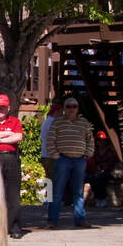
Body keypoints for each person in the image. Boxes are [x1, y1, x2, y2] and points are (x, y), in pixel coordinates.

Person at [46, 96, 94, 228]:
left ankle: (80, 219)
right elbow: (50, 139)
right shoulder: (57, 122)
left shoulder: (84, 122)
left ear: (78, 108)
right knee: (57, 191)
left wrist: (87, 154)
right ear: (64, 109)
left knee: (78, 192)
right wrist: (55, 155)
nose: (72, 109)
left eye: (74, 106)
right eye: (68, 106)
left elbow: (90, 140)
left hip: (79, 160)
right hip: (63, 159)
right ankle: (52, 220)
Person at [0, 94, 25, 238]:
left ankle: (14, 227)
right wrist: (7, 136)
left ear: (8, 108)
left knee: (13, 196)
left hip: (12, 158)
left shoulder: (14, 121)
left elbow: (18, 137)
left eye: (3, 107)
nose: (0, 110)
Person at [39, 101, 62, 186]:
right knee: (52, 180)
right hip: (51, 156)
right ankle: (50, 198)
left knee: (48, 179)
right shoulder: (53, 122)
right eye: (60, 112)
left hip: (45, 154)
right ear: (56, 112)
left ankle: (48, 198)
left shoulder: (46, 121)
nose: (61, 114)